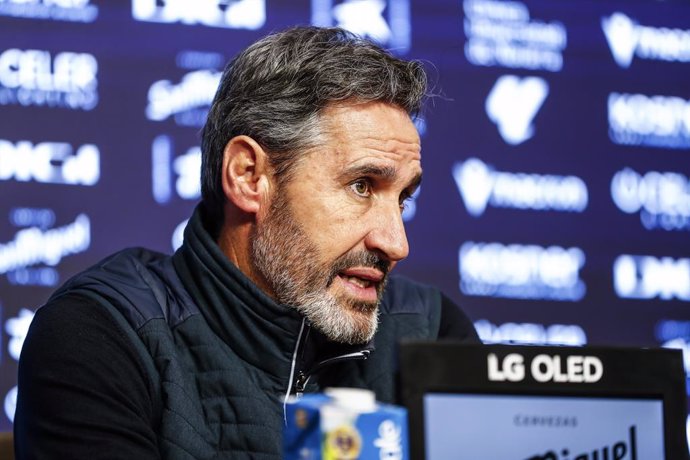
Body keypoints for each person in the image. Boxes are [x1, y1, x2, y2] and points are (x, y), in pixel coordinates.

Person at [14, 26, 478, 458]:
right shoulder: (102, 335)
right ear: (249, 177)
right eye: (361, 186)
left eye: (403, 199)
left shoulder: (430, 332)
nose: (396, 243)